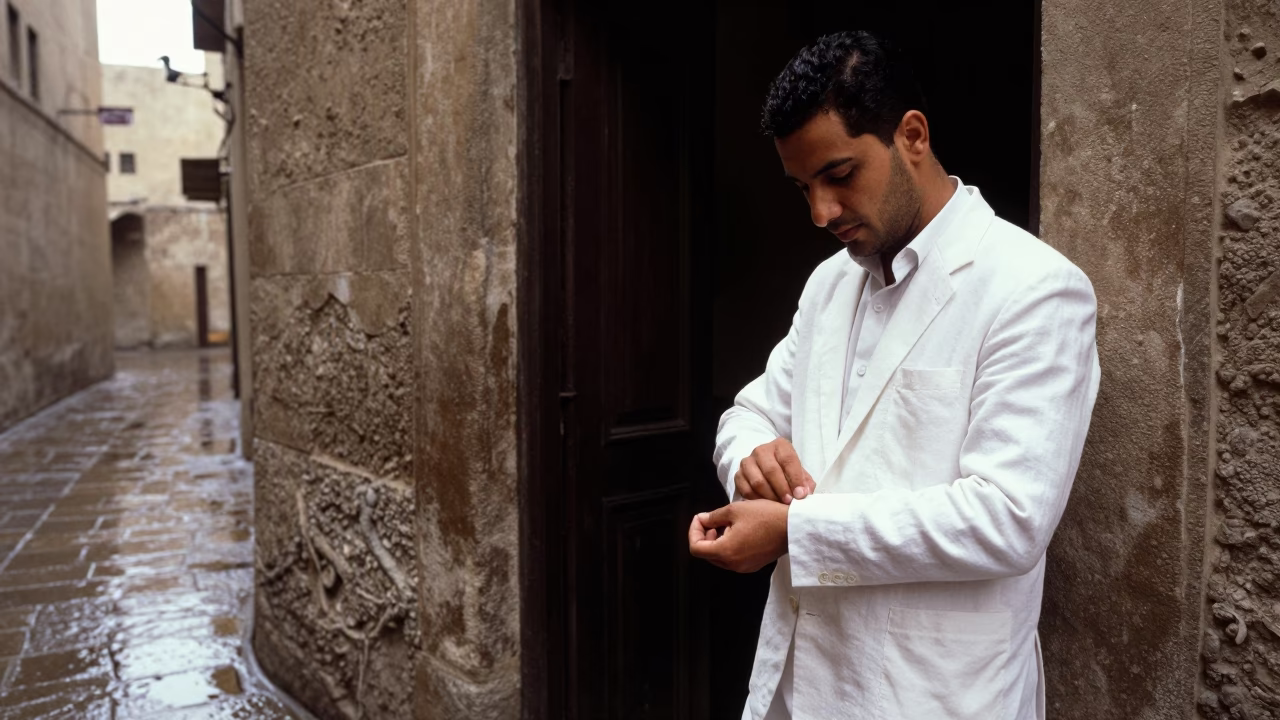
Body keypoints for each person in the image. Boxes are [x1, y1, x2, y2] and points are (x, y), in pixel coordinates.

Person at [688, 30, 1100, 720]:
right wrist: (752, 461)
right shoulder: (828, 286)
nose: (820, 212)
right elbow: (750, 412)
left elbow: (1007, 517)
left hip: (936, 695)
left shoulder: (1033, 288)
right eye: (803, 188)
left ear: (911, 135)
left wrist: (794, 531)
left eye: (840, 176)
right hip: (802, 685)